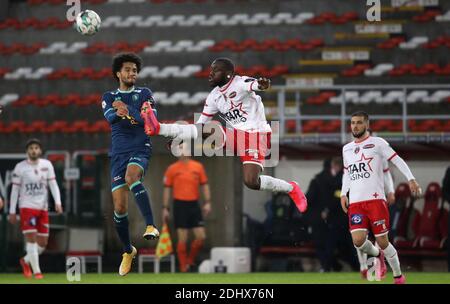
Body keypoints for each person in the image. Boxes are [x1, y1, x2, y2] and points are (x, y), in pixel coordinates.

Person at [140, 57, 307, 214]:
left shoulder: (240, 83)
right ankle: (159, 128)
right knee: (210, 129)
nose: (210, 73)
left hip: (256, 135)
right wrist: (179, 137)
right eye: (211, 70)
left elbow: (255, 85)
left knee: (251, 182)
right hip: (235, 136)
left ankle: (291, 188)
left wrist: (262, 85)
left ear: (228, 74)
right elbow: (200, 126)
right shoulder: (214, 97)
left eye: (216, 70)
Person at [340, 111, 422, 284]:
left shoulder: (378, 143)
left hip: (376, 201)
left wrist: (411, 179)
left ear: (367, 125)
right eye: (353, 123)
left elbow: (397, 160)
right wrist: (343, 193)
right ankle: (378, 257)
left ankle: (398, 276)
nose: (355, 126)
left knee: (383, 241)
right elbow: (347, 173)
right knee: (358, 242)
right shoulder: (346, 149)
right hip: (355, 203)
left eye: (359, 122)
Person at [102, 52, 159, 276]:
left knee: (132, 177)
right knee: (119, 208)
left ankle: (150, 225)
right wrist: (125, 113)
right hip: (118, 154)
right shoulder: (108, 96)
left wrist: (128, 110)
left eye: (135, 70)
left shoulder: (145, 94)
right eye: (128, 70)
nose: (132, 73)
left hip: (140, 147)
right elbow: (110, 117)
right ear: (118, 73)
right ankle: (128, 251)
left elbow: (151, 122)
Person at [8, 138, 63, 279]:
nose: (34, 150)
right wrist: (12, 211)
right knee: (31, 239)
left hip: (43, 208)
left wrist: (58, 202)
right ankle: (37, 272)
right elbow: (15, 190)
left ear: (40, 150)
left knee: (43, 243)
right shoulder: (20, 167)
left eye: (36, 148)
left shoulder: (47, 165)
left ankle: (25, 261)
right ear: (27, 151)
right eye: (31, 148)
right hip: (27, 207)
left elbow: (53, 185)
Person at [162, 142, 211, 272]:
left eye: (186, 148)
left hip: (194, 204)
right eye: (182, 148)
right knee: (182, 237)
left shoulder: (198, 167)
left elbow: (204, 185)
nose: (185, 151)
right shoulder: (172, 169)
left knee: (201, 236)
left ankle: (190, 259)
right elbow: (167, 189)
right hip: (179, 204)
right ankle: (184, 266)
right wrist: (165, 208)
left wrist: (207, 202)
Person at [355, 128, 396, 279]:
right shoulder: (351, 150)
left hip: (377, 199)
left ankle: (375, 269)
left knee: (380, 237)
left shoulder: (378, 151)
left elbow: (386, 173)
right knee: (359, 237)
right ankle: (364, 266)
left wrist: (390, 190)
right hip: (359, 200)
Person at [307, 157, 358, 272]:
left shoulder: (320, 179)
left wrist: (326, 210)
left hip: (334, 219)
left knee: (330, 245)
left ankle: (328, 267)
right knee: (342, 245)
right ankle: (354, 267)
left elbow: (335, 197)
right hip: (339, 219)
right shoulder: (343, 179)